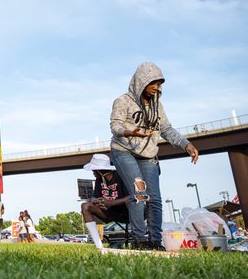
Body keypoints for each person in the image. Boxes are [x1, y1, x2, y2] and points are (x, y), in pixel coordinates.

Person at [110, 62, 199, 250]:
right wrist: (133, 132)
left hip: (148, 155)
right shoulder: (123, 101)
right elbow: (115, 127)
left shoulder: (157, 105)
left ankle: (155, 241)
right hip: (124, 151)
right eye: (153, 83)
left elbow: (166, 128)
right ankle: (139, 240)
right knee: (139, 193)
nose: (157, 88)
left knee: (155, 199)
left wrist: (186, 144)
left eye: (159, 84)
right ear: (142, 82)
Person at [80, 154, 130, 249]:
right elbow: (94, 197)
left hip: (126, 212)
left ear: (100, 170)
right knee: (85, 206)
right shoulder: (99, 180)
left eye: (94, 170)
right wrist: (97, 201)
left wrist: (110, 203)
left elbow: (131, 197)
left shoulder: (121, 176)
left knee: (131, 202)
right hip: (108, 213)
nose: (93, 172)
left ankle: (138, 240)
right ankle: (99, 246)